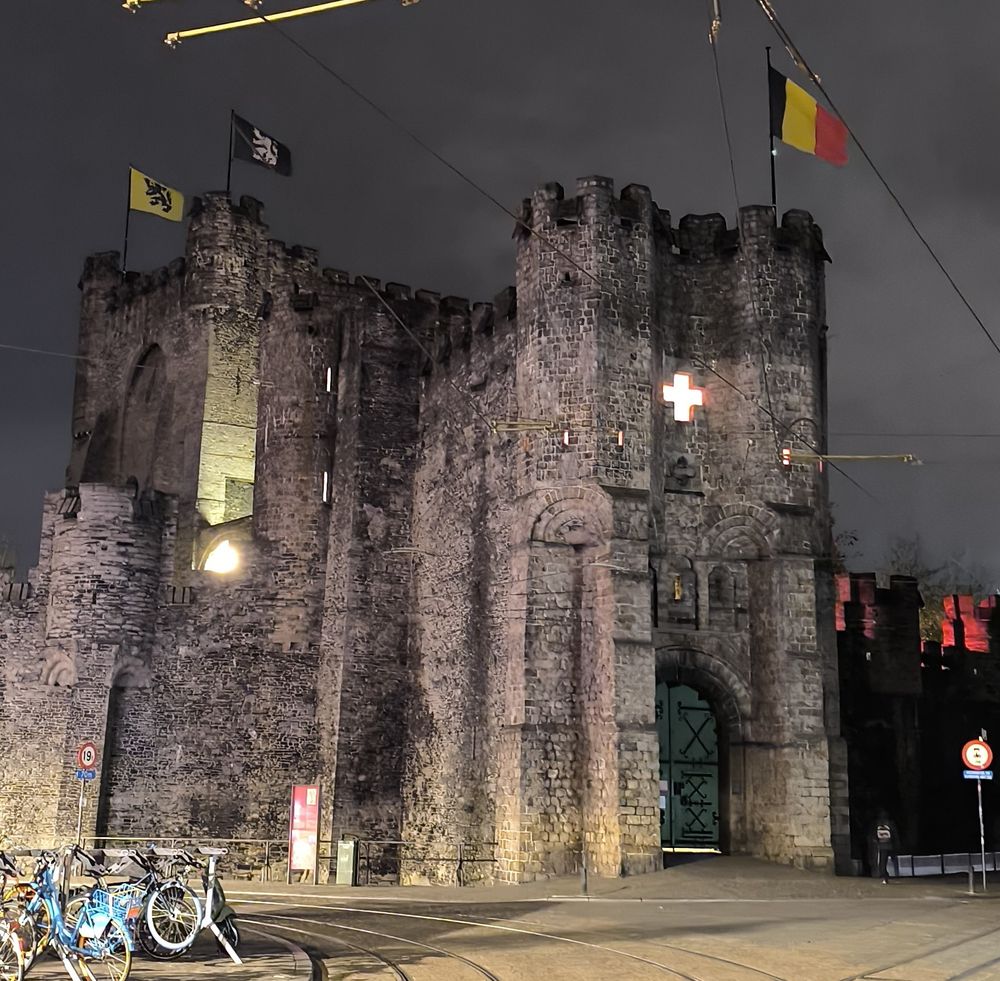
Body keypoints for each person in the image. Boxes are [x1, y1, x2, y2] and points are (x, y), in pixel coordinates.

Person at [871, 809, 899, 884]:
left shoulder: (878, 824)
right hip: (888, 846)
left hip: (883, 846)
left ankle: (885, 877)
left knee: (882, 863)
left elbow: (875, 836)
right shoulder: (890, 824)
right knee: (890, 861)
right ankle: (891, 875)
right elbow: (895, 835)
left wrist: (876, 841)